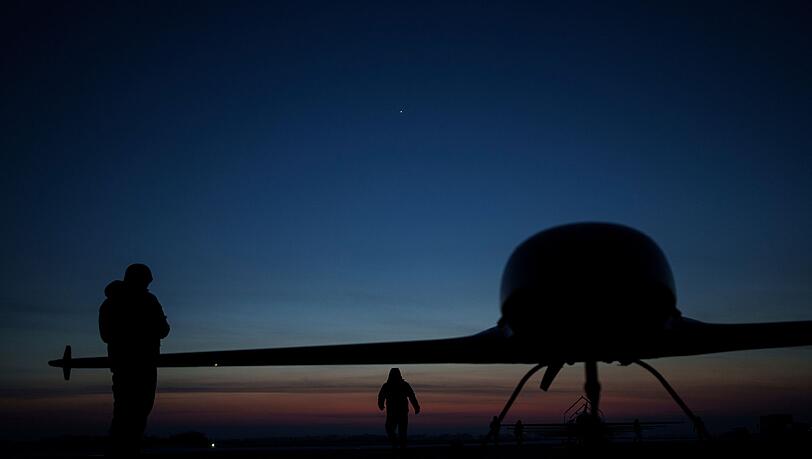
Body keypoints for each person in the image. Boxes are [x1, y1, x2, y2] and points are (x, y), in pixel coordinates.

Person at [99, 264, 170, 456]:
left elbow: (105, 335)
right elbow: (163, 330)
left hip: (121, 364)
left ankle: (120, 448)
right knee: (139, 409)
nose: (148, 285)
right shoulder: (148, 301)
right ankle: (128, 450)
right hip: (144, 363)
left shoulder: (109, 304)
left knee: (123, 409)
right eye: (147, 281)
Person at [377, 368, 420, 448]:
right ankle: (397, 445)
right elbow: (412, 396)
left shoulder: (391, 385)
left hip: (397, 412)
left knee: (396, 430)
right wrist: (416, 407)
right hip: (398, 412)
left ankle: (398, 446)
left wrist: (416, 407)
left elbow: (411, 396)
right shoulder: (391, 386)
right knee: (396, 430)